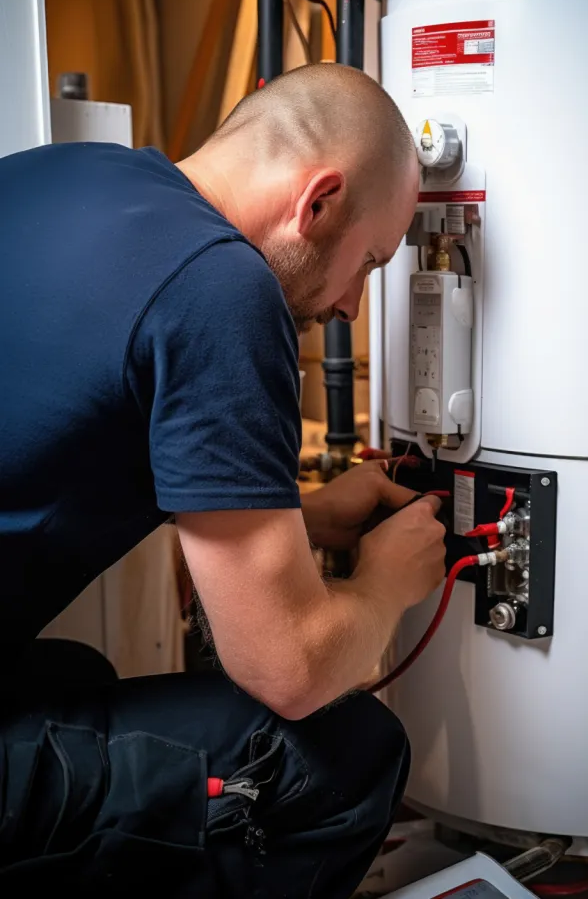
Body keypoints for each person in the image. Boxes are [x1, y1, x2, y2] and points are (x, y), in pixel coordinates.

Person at [0, 63, 446, 896]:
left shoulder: (58, 173)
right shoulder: (221, 291)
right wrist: (386, 586)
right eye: (371, 262)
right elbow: (289, 669)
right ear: (317, 202)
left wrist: (302, 516)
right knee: (342, 758)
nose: (351, 305)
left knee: (71, 681)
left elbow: (63, 425)